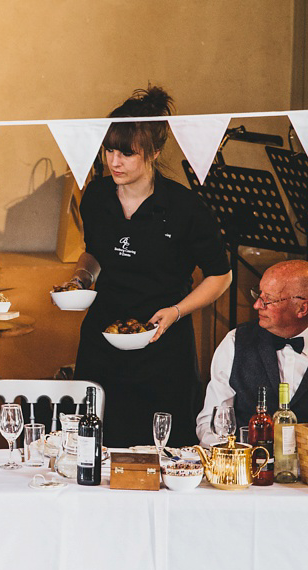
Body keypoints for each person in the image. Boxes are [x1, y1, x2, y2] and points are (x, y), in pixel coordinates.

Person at [65, 87, 232, 448]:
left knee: (163, 449)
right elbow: (94, 253)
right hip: (103, 337)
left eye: (127, 152)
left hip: (162, 342)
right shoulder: (96, 197)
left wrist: (177, 311)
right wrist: (81, 278)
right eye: (109, 149)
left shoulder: (184, 207)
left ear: (155, 152)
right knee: (96, 445)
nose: (115, 161)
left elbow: (221, 275)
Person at [196, 260, 308, 446]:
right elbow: (211, 421)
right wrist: (226, 458)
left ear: (302, 308)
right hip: (246, 467)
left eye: (268, 300)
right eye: (259, 294)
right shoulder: (235, 341)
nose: (256, 305)